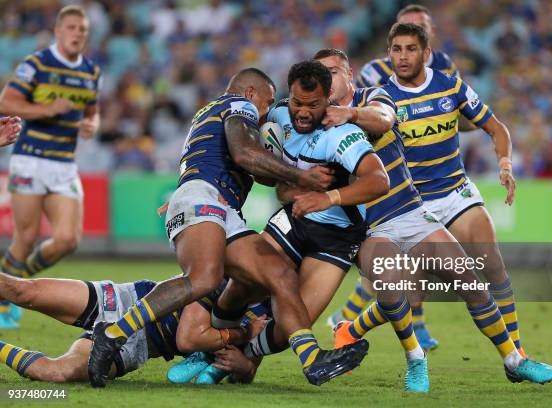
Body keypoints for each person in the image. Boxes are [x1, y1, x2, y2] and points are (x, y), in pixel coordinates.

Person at [87, 67, 368, 388]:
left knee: (277, 273)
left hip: (218, 205)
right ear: (251, 94)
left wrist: (278, 163)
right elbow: (245, 153)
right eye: (265, 105)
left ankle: (312, 358)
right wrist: (302, 176)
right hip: (204, 196)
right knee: (203, 279)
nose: (264, 117)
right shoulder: (240, 106)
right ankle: (112, 332)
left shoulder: (210, 111)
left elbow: (258, 168)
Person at [333, 23, 552, 384]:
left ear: (425, 52)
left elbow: (495, 126)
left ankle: (516, 356)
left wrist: (504, 165)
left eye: (410, 49)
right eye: (396, 50)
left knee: (490, 265)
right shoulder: (381, 98)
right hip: (410, 202)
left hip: (454, 193)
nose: (402, 56)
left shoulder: (449, 85)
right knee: (407, 290)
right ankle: (352, 327)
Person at [208, 60, 389, 381]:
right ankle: (207, 348)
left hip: (338, 236)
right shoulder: (276, 116)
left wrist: (328, 198)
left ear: (327, 102)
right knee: (244, 282)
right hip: (294, 220)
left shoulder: (342, 134)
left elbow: (378, 181)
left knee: (295, 320)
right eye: (297, 103)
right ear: (288, 96)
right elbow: (251, 157)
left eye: (313, 105)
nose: (303, 112)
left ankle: (240, 358)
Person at [331, 4, 476, 348]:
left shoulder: (445, 70)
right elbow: (366, 111)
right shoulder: (374, 73)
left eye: (418, 29)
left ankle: (350, 320)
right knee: (400, 260)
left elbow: (459, 116)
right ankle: (361, 322)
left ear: (429, 35)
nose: (405, 50)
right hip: (394, 172)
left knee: (413, 259)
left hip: (429, 174)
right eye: (402, 34)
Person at [0, 5, 101, 328]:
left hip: (63, 163)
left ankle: (14, 285)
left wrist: (91, 125)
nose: (77, 34)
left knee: (68, 240)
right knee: (26, 236)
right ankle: (6, 298)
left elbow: (92, 113)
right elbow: (6, 102)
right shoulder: (38, 64)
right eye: (71, 28)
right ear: (58, 31)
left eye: (82, 29)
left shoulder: (90, 71)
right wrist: (46, 108)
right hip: (30, 157)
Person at [0, 270, 266, 383]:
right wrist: (242, 333)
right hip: (131, 300)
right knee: (23, 292)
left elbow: (248, 369)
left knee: (57, 373)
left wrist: (243, 366)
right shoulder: (223, 272)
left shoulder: (268, 313)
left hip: (135, 346)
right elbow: (188, 339)